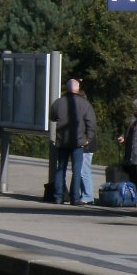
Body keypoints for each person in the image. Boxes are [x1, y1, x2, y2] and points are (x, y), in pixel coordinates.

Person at [49, 78, 97, 206]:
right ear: (78, 89)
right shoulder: (85, 104)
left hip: (62, 141)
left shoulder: (58, 103)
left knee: (61, 169)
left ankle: (58, 197)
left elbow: (52, 117)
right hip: (78, 142)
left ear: (67, 88)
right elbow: (91, 123)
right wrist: (88, 139)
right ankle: (74, 197)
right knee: (77, 170)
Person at [78, 86, 97, 204]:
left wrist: (87, 140)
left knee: (84, 170)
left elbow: (90, 127)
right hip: (86, 142)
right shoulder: (87, 109)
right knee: (81, 170)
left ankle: (88, 195)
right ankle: (84, 194)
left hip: (87, 144)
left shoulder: (84, 110)